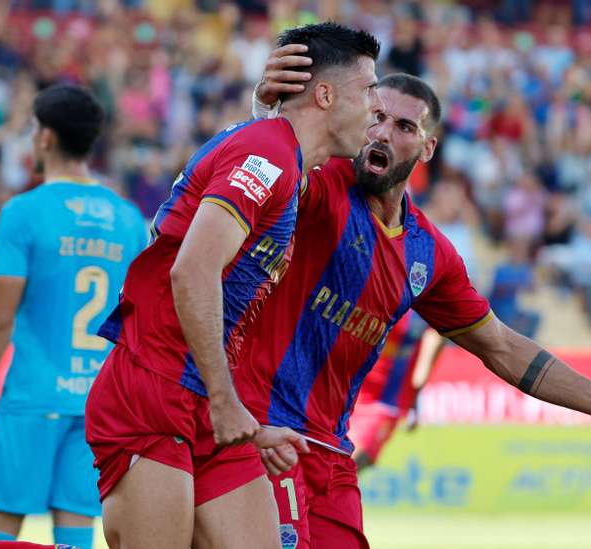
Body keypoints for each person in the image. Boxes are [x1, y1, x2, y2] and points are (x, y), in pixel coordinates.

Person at [244, 51, 591, 549]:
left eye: (403, 126)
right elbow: (262, 169)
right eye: (376, 117)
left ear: (427, 147)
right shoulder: (319, 188)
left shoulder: (427, 253)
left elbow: (502, 347)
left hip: (331, 455)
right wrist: (266, 114)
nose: (383, 133)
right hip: (266, 437)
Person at [84, 22, 381, 549]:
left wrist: (232, 409)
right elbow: (192, 271)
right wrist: (225, 400)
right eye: (368, 92)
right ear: (327, 94)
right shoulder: (267, 156)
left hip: (205, 398)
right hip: (153, 385)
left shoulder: (283, 161)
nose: (374, 110)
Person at [0, 85, 147, 549]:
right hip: (97, 404)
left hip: (31, 399)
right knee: (76, 534)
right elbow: (138, 317)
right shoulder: (128, 218)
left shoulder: (23, 211)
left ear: (43, 138)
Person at [349, 312, 444, 471]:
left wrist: (417, 391)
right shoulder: (373, 295)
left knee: (350, 464)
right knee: (330, 460)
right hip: (351, 394)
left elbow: (435, 338)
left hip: (386, 401)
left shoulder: (420, 307)